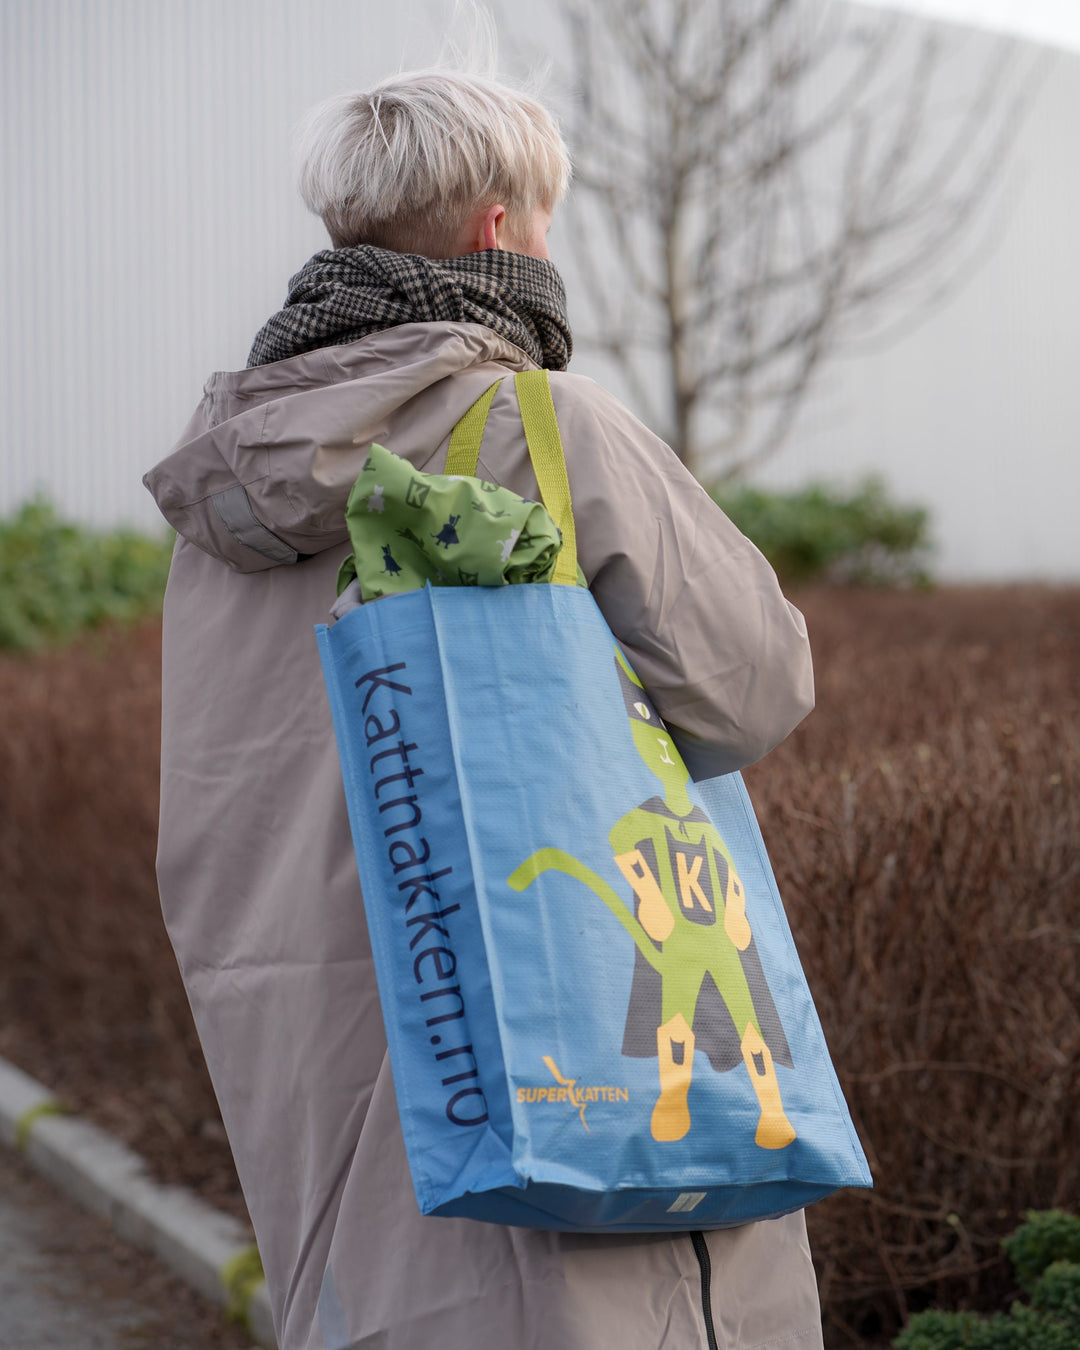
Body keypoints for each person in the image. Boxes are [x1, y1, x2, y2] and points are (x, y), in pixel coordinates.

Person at [145, 69, 821, 1350]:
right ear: (502, 230)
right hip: (551, 1026)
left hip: (307, 1023)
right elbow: (753, 687)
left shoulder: (224, 489)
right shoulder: (545, 426)